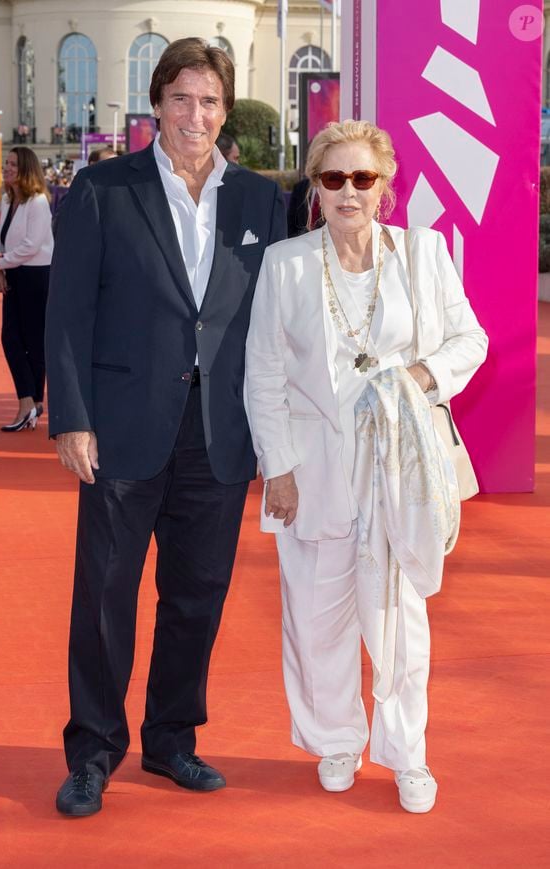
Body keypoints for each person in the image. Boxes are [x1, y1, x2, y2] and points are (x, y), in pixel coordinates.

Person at [46, 36, 286, 817]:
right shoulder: (102, 188)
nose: (196, 114)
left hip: (218, 431)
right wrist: (72, 418)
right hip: (121, 427)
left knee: (197, 595)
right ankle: (92, 750)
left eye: (210, 100)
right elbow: (68, 312)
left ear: (226, 110)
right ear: (156, 105)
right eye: (181, 98)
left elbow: (276, 324)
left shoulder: (258, 199)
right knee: (106, 594)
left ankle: (172, 737)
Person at [244, 120, 488, 814]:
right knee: (317, 614)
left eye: (363, 178)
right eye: (333, 177)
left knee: (400, 615)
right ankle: (336, 739)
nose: (349, 192)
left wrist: (420, 372)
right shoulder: (286, 263)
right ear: (315, 187)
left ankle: (408, 753)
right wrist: (279, 466)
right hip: (312, 466)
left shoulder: (422, 253)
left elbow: (471, 338)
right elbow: (262, 374)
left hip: (399, 471)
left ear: (386, 186)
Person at [0, 148, 53, 432]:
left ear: (26, 168)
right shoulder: (9, 198)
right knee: (10, 337)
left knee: (33, 342)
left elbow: (31, 246)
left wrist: (0, 264)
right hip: (15, 272)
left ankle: (29, 403)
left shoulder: (37, 202)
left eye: (12, 164)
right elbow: (0, 238)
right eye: (6, 163)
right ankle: (30, 401)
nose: (6, 168)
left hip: (36, 276)